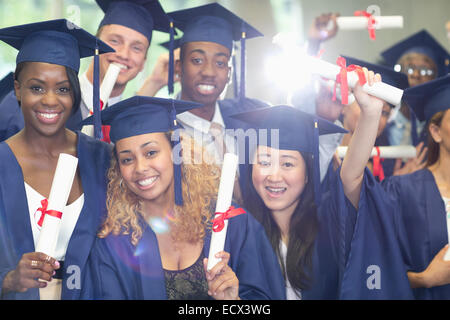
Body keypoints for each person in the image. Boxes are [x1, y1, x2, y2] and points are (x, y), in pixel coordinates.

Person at [81, 96, 286, 300]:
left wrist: (233, 302)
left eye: (151, 152)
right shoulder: (114, 243)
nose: (140, 168)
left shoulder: (231, 223)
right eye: (127, 159)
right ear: (118, 169)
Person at [234, 68, 414, 299]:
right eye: (264, 162)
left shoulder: (327, 222)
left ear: (308, 173)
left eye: (288, 164)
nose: (274, 176)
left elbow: (352, 175)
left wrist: (370, 112)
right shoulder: (237, 229)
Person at [0, 19, 113, 300]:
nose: (50, 100)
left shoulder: (103, 159)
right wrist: (8, 279)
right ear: (17, 89)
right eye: (36, 88)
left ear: (74, 93)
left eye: (62, 89)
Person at [0, 0, 173, 141]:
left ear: (143, 62)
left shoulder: (124, 123)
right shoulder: (39, 106)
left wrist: (154, 82)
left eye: (137, 48)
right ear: (95, 45)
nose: (123, 54)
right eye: (115, 41)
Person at [381, 29, 450, 146]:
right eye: (409, 68)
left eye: (425, 70)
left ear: (436, 76)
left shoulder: (442, 127)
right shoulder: (381, 123)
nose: (416, 75)